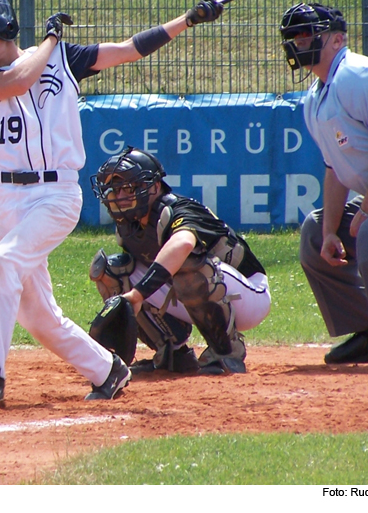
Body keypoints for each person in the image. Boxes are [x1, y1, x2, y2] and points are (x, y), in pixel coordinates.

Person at [0, 0, 223, 406]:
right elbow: (21, 79)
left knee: (4, 261)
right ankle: (107, 369)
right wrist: (52, 39)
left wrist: (186, 20)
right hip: (9, 198)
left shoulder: (64, 59)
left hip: (56, 194)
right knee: (36, 315)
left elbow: (131, 49)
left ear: (5, 25)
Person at [90, 147, 271, 375]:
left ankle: (226, 352)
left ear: (154, 186)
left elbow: (183, 244)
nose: (120, 198)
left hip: (248, 295)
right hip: (202, 289)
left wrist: (137, 295)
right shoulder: (129, 227)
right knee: (113, 271)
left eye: (127, 188)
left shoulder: (180, 209)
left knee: (188, 263)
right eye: (114, 191)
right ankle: (172, 354)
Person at [280, 2, 368, 372]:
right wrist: (330, 231)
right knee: (314, 233)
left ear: (338, 38)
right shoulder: (314, 99)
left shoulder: (359, 75)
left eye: (308, 33)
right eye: (294, 37)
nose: (299, 42)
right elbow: (334, 169)